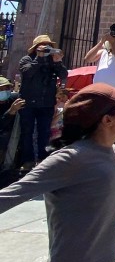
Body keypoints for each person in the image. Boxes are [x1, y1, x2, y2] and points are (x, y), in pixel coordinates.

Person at [0, 83, 115, 262]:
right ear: (107, 120)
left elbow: (93, 210)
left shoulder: (113, 155)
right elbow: (10, 195)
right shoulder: (71, 159)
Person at [18, 35, 69, 171]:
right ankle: (27, 160)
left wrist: (58, 61)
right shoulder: (27, 60)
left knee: (45, 132)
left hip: (46, 103)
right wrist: (39, 58)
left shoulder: (52, 62)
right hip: (28, 102)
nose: (46, 48)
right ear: (36, 48)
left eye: (49, 46)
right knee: (27, 132)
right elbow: (27, 73)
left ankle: (42, 160)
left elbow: (64, 75)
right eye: (43, 46)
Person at [84, 24, 115, 89]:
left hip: (114, 90)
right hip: (97, 88)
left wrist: (112, 43)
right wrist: (101, 43)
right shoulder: (104, 51)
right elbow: (88, 59)